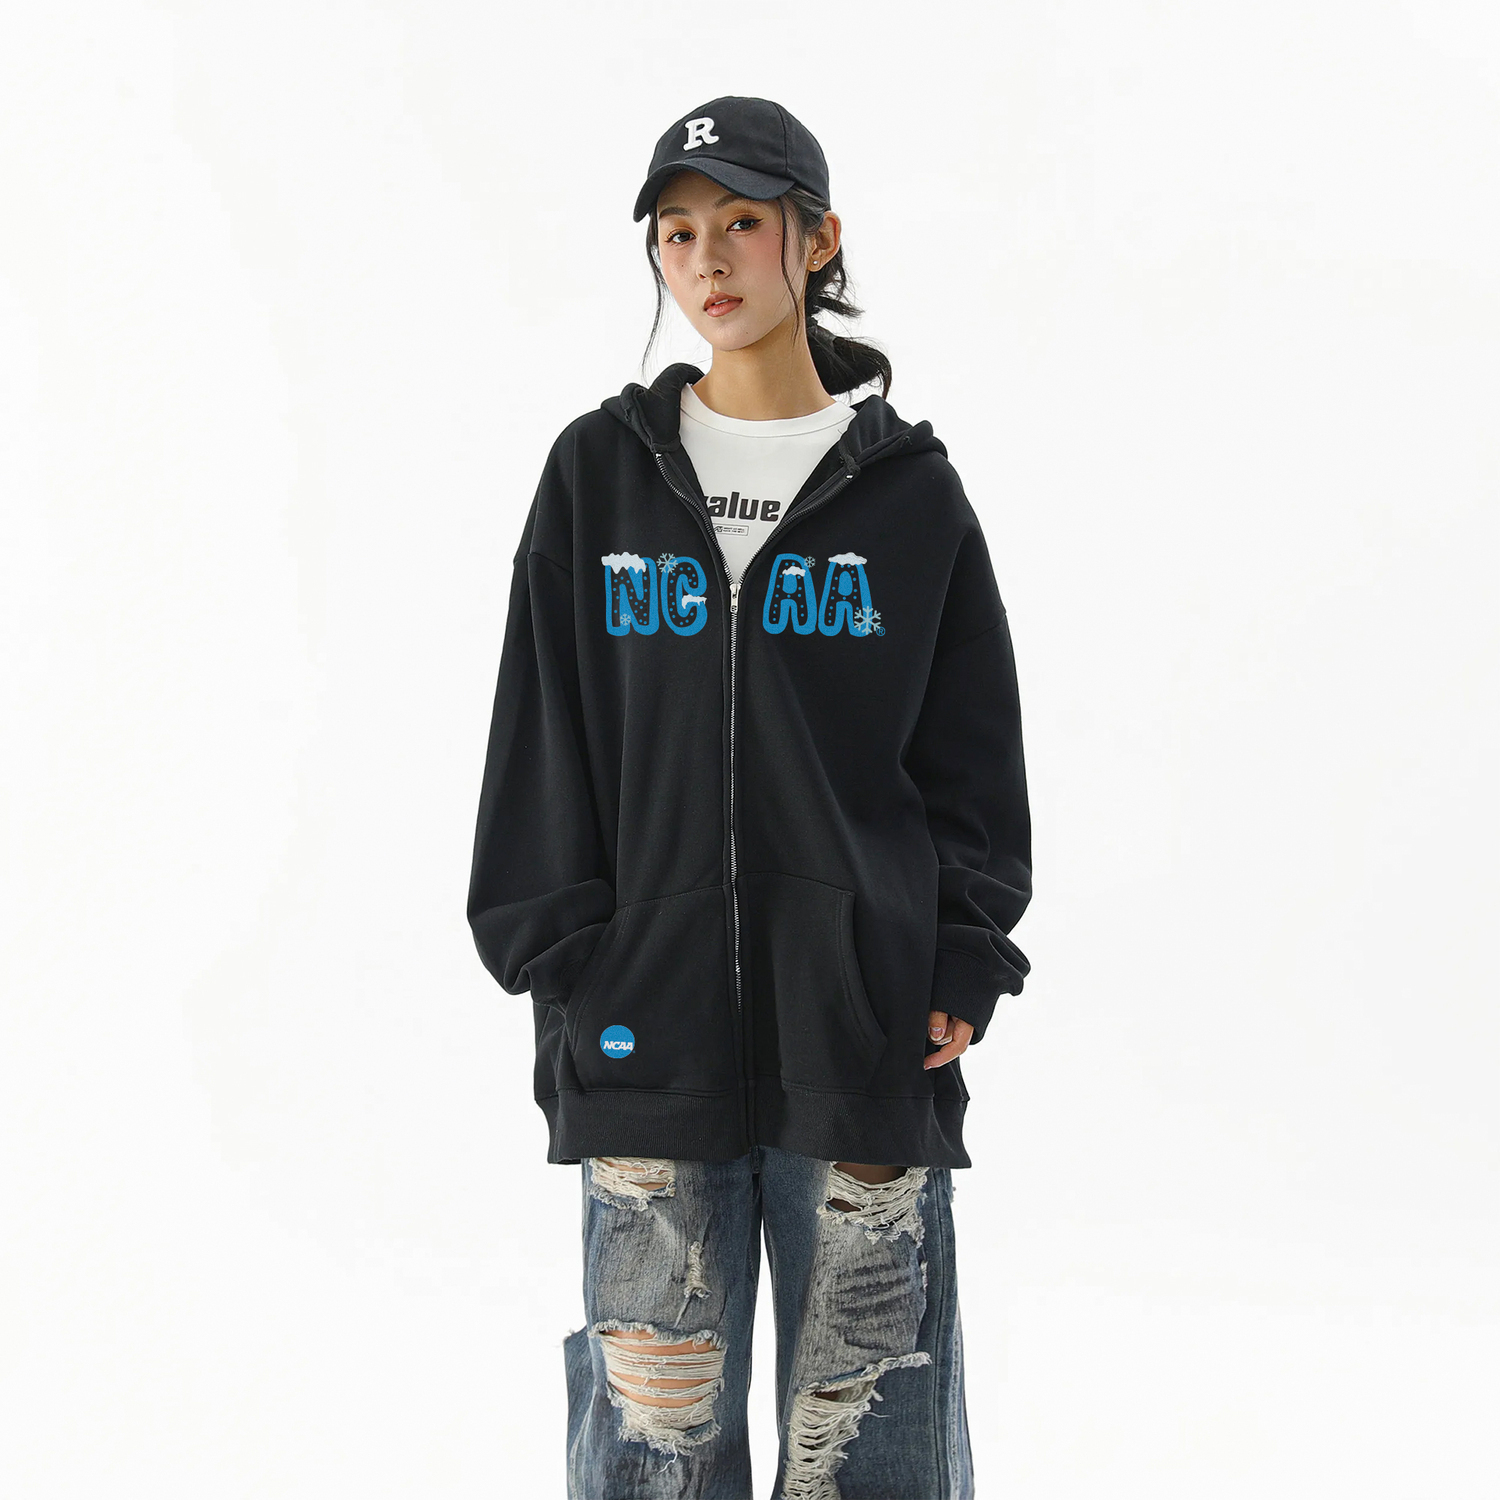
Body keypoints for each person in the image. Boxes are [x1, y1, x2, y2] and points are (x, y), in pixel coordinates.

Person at [467, 95, 1033, 1499]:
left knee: (872, 1441)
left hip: (865, 1033)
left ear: (815, 239)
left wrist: (961, 956)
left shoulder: (909, 495)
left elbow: (970, 756)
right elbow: (540, 730)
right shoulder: (598, 477)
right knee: (655, 1450)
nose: (707, 260)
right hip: (641, 1031)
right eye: (676, 233)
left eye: (739, 223)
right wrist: (562, 957)